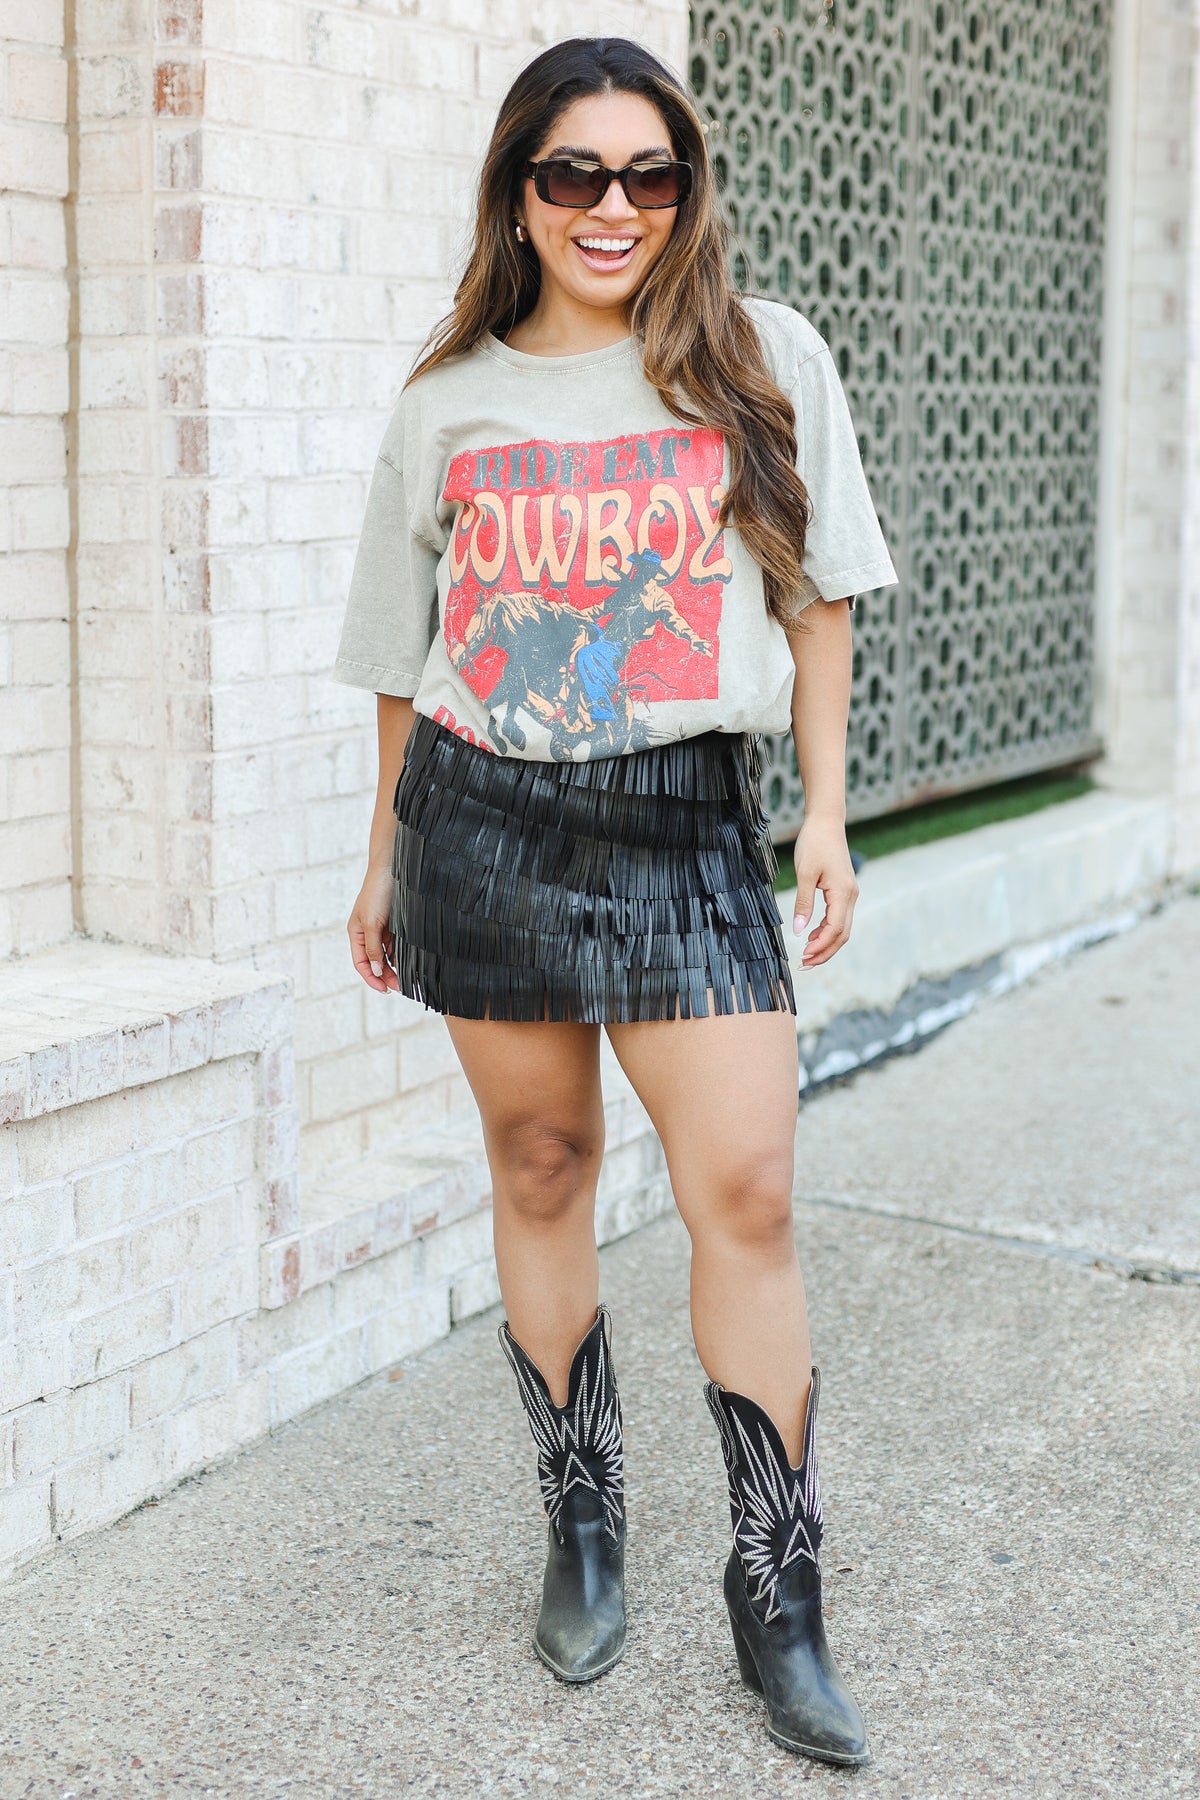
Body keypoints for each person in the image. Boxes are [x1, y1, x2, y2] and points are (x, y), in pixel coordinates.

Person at [334, 35, 897, 1768]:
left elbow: (818, 599)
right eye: (574, 174)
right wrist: (380, 856)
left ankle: (777, 1593)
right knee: (542, 1165)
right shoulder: (451, 399)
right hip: (481, 822)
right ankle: (583, 1518)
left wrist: (820, 812)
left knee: (746, 1188)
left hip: (684, 828)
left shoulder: (758, 357)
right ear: (521, 188)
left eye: (647, 176)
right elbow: (401, 658)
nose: (613, 208)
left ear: (685, 190)